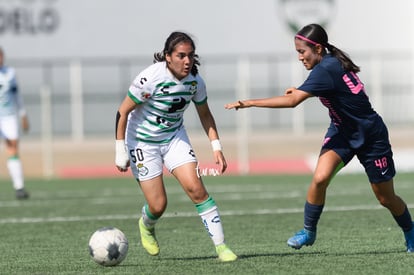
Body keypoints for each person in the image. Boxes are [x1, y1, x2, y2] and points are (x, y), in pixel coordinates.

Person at [225, 23, 414, 252]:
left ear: (317, 48)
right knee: (320, 178)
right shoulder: (329, 64)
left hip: (371, 136)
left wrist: (249, 102)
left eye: (301, 51)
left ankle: (410, 232)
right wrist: (301, 88)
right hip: (342, 132)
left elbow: (293, 102)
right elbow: (330, 89)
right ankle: (308, 231)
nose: (299, 57)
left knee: (385, 198)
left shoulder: (325, 69)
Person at [115, 31, 237, 262]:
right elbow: (122, 112)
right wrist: (120, 150)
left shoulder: (195, 82)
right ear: (167, 57)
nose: (187, 61)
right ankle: (146, 224)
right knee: (158, 205)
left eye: (190, 56)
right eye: (181, 55)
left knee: (197, 190)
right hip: (142, 141)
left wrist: (216, 147)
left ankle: (222, 248)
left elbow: (205, 115)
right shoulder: (150, 79)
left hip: (173, 138)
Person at [0, 47, 30, 200]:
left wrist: (23, 114)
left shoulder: (10, 73)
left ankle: (19, 187)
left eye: (1, 55)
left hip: (8, 117)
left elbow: (17, 95)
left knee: (13, 148)